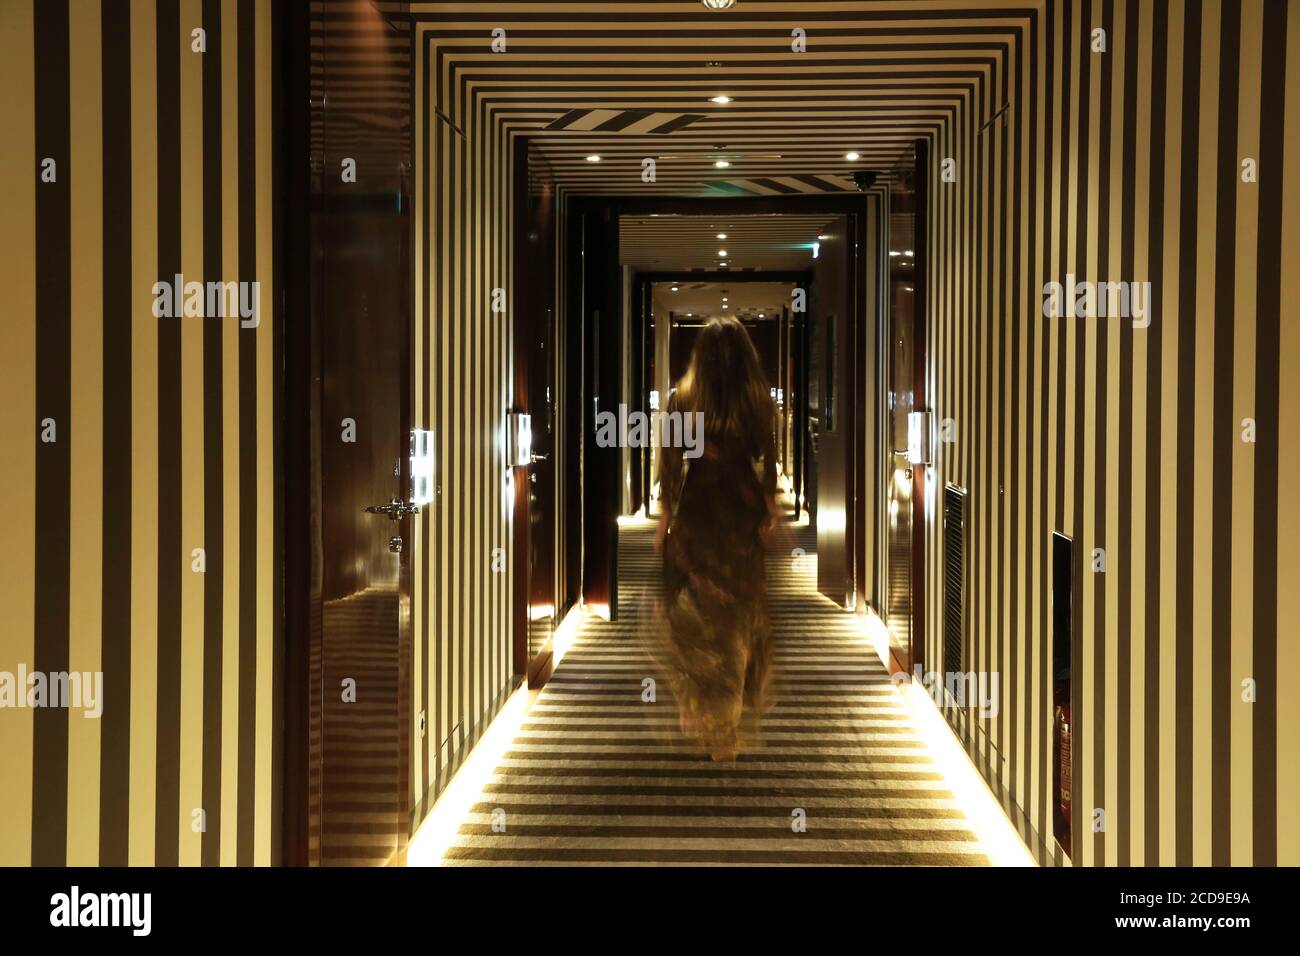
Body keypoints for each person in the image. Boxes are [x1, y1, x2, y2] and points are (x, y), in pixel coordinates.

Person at [654, 315, 780, 762]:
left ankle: (709, 703)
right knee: (737, 613)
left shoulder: (684, 400)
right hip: (740, 516)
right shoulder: (756, 401)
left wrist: (666, 517)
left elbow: (669, 461)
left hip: (700, 512)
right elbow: (769, 456)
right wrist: (768, 508)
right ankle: (725, 715)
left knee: (696, 608)